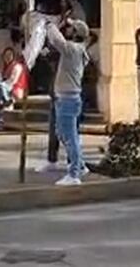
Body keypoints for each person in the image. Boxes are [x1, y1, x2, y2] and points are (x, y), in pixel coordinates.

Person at [43, 17, 93, 186]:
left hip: (67, 99)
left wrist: (49, 24)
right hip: (67, 98)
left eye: (71, 28)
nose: (68, 30)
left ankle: (74, 174)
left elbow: (57, 40)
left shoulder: (73, 49)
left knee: (70, 136)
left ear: (76, 33)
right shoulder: (79, 50)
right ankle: (80, 164)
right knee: (63, 133)